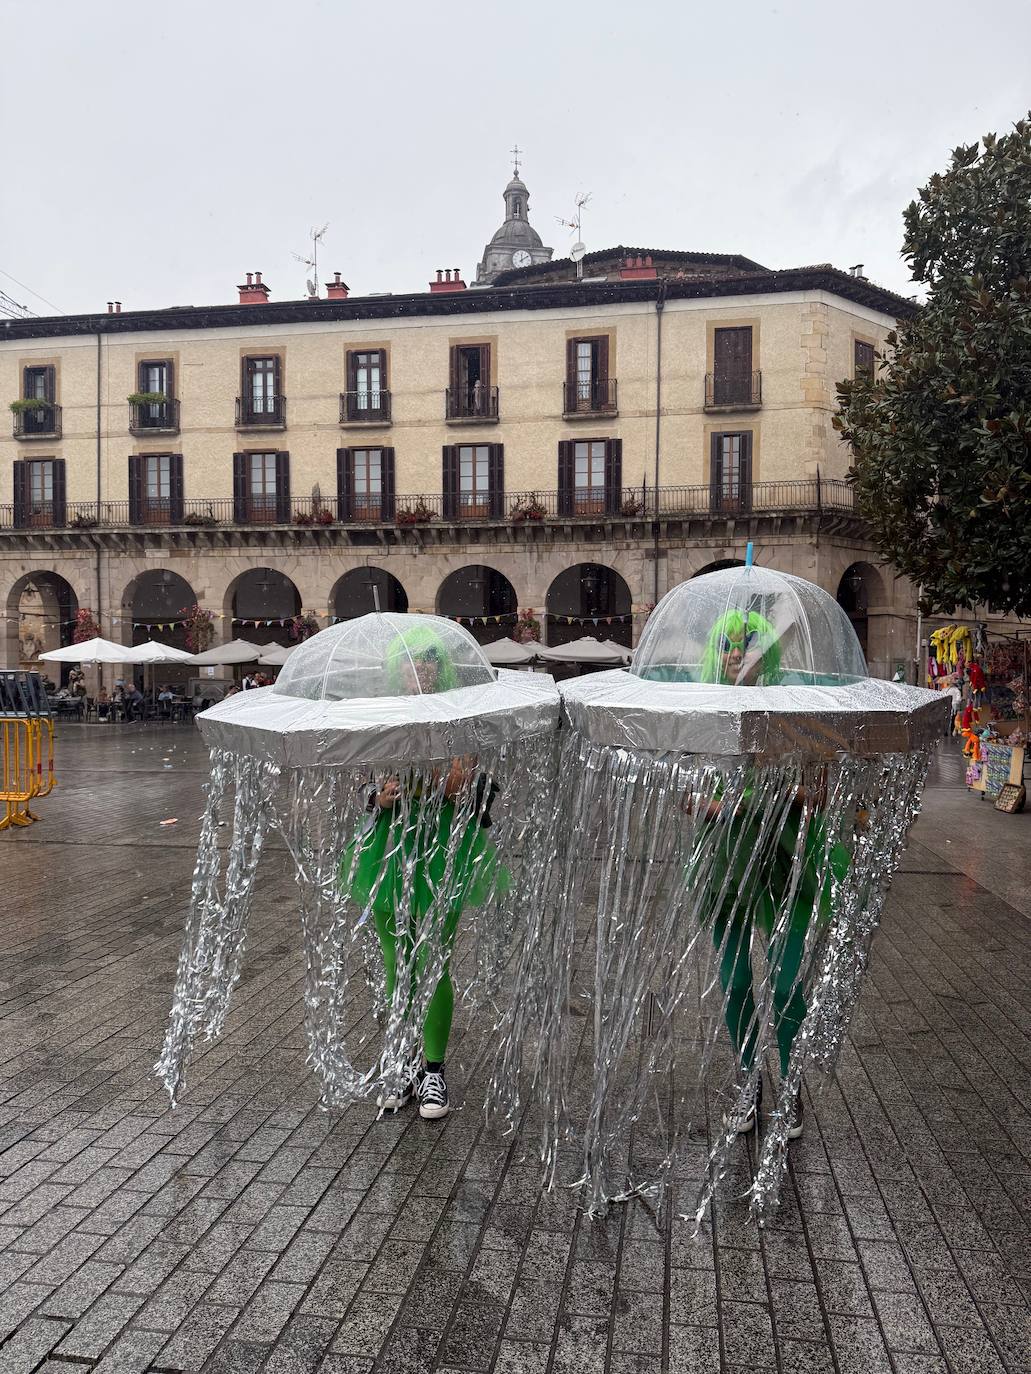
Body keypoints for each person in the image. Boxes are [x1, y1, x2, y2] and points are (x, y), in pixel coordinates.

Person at [691, 609, 851, 1141]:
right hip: (727, 864)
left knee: (785, 986)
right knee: (736, 982)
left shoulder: (796, 716)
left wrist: (785, 791)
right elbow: (681, 790)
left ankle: (791, 1083)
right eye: (730, 645)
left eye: (750, 644)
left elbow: (824, 789)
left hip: (787, 863)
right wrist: (711, 803)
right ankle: (746, 1081)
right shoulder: (705, 716)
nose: (739, 654)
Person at [339, 625, 508, 1122]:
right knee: (397, 963)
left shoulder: (458, 718)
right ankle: (404, 1059)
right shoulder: (380, 717)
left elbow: (462, 780)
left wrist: (434, 777)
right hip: (387, 850)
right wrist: (379, 795)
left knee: (434, 960)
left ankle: (434, 1070)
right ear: (398, 669)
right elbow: (361, 784)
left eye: (431, 661)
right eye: (413, 662)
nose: (423, 669)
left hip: (442, 848)